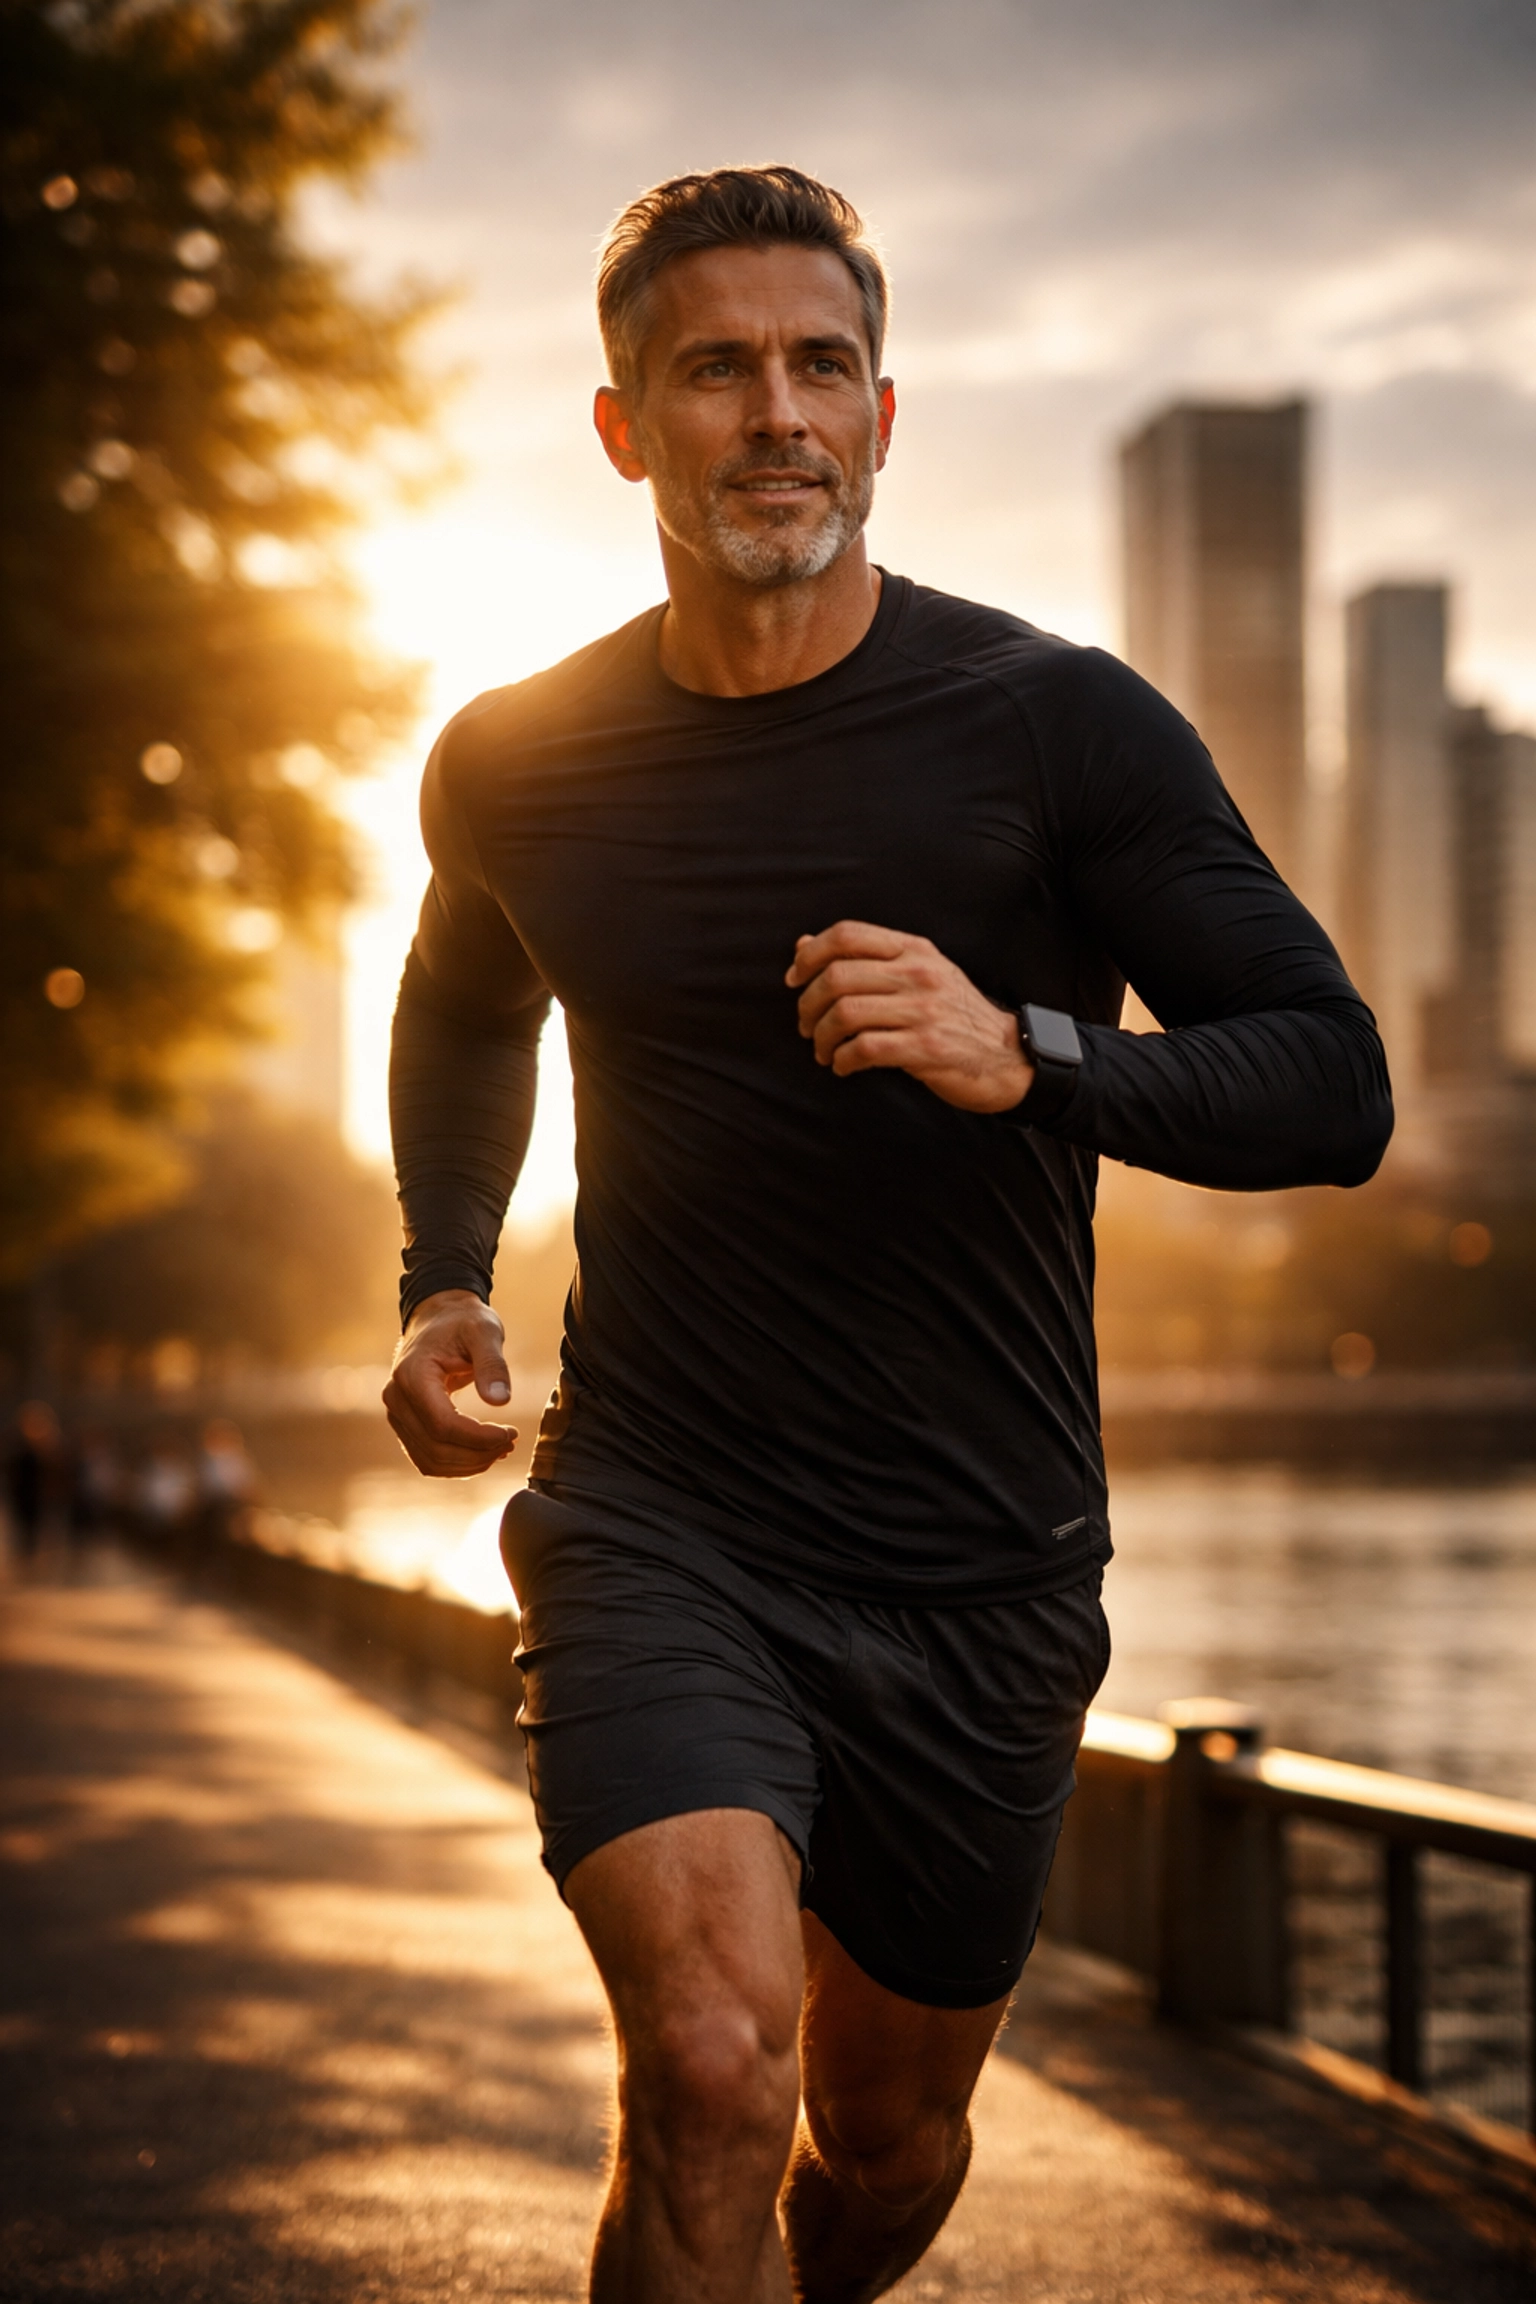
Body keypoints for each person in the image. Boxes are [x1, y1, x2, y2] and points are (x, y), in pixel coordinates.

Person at [384, 167, 1392, 2304]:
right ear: (623, 424)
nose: (776, 413)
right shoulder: (514, 759)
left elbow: (1333, 1079)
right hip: (662, 1514)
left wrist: (1032, 1052)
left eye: (819, 365)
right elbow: (470, 1003)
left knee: (884, 2145)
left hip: (983, 1566)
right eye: (718, 368)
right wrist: (448, 1274)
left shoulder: (1054, 724)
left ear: (884, 412)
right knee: (715, 2064)